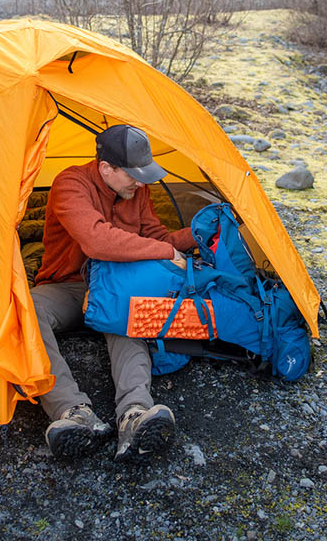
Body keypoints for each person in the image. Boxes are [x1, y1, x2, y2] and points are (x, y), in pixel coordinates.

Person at [30, 124, 195, 461]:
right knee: (27, 309)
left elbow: (158, 239)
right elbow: (96, 240)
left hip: (115, 287)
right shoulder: (70, 184)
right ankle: (72, 413)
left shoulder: (137, 191)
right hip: (69, 285)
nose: (140, 182)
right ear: (106, 168)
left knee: (128, 311)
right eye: (133, 174)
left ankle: (135, 415)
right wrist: (166, 254)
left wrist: (198, 234)